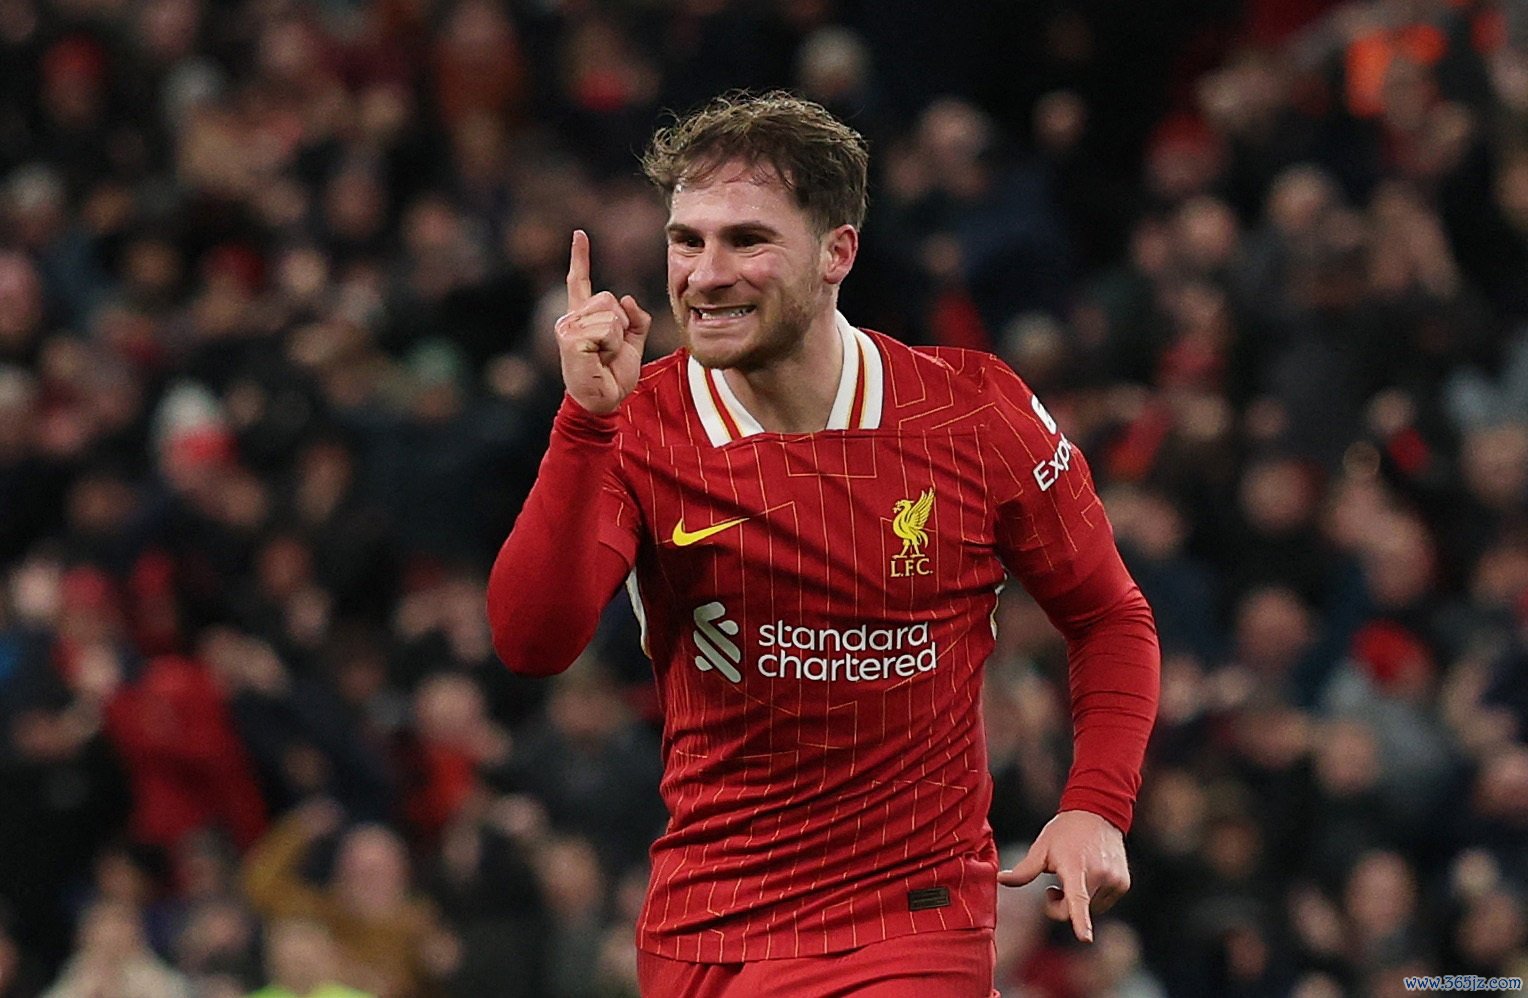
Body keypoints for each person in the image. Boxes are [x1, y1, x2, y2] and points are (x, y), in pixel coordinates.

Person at [486, 91, 1159, 997]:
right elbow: (532, 643)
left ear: (837, 251)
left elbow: (1108, 614)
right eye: (687, 241)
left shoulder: (970, 412)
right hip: (707, 931)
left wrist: (1097, 806)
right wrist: (584, 425)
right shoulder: (636, 425)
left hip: (910, 923)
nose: (705, 275)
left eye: (746, 241)